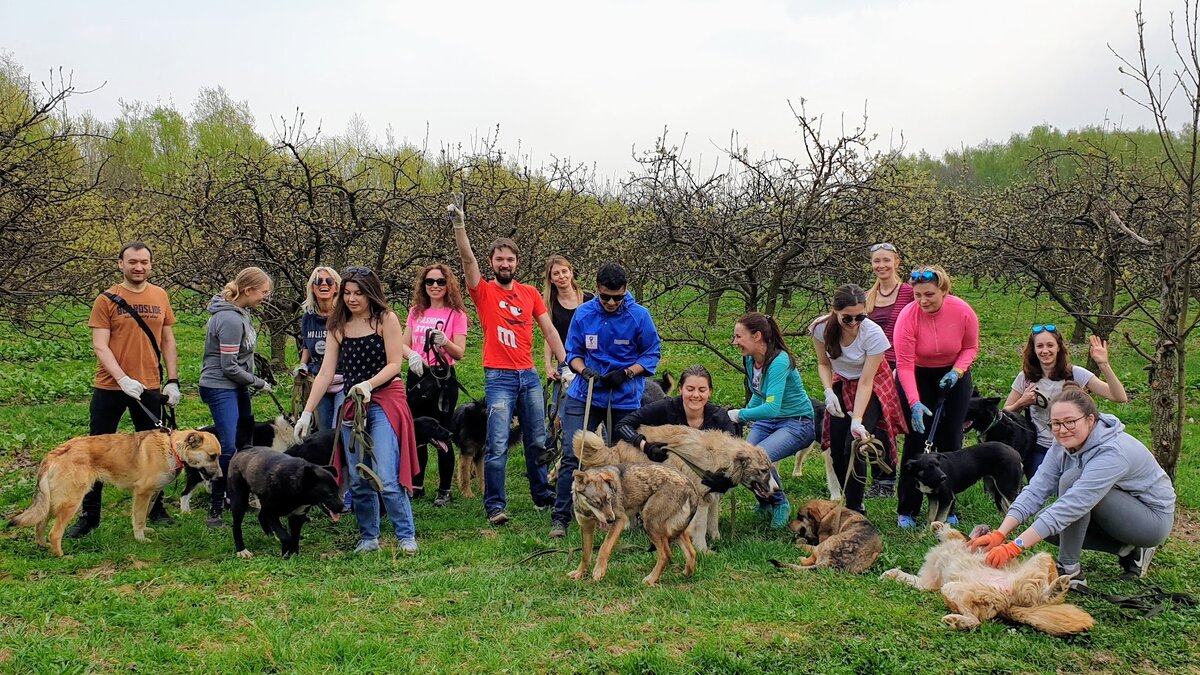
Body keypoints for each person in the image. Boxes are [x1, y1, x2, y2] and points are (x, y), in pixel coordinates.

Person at [968, 387, 1175, 587]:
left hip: (1151, 520)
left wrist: (1015, 547)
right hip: (1115, 505)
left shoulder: (1113, 452)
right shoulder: (1063, 441)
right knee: (1048, 526)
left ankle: (1069, 570)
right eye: (1056, 423)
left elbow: (1072, 505)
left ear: (1090, 420)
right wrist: (1000, 533)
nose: (1062, 429)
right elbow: (1036, 488)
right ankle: (1129, 549)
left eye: (1070, 422)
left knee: (1070, 482)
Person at [449, 202, 568, 526]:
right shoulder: (484, 292)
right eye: (499, 259)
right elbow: (467, 259)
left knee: (536, 440)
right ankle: (495, 506)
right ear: (492, 263)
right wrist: (460, 226)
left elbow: (549, 329)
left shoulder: (530, 293)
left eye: (510, 259)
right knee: (498, 443)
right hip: (499, 378)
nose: (505, 263)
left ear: (517, 263)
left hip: (528, 376)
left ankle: (543, 496)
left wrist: (566, 363)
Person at [294, 267, 421, 554]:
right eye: (348, 293)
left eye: (358, 293)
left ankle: (405, 535)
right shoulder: (338, 324)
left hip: (386, 397)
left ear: (370, 293)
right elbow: (326, 372)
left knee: (386, 476)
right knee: (358, 475)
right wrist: (306, 412)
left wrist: (368, 384)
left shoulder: (385, 319)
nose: (352, 299)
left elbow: (393, 364)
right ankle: (368, 537)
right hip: (353, 403)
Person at [67, 241, 180, 539]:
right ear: (121, 264)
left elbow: (168, 340)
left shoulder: (161, 296)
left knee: (158, 450)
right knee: (96, 451)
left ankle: (155, 509)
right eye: (132, 262)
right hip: (110, 386)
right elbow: (100, 345)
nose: (138, 267)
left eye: (144, 262)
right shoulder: (107, 299)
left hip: (150, 386)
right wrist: (121, 379)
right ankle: (90, 516)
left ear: (151, 264)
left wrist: (173, 379)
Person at [551, 262, 661, 538]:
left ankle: (620, 516)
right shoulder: (584, 313)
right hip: (586, 393)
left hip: (624, 396)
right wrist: (582, 369)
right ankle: (561, 517)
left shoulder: (639, 316)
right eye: (606, 297)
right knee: (572, 455)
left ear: (625, 291)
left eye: (617, 297)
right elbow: (572, 351)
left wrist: (626, 373)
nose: (611, 302)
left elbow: (651, 353)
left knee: (621, 458)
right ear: (597, 290)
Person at [893, 265, 979, 529]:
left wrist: (957, 371)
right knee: (917, 441)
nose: (923, 301)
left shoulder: (962, 311)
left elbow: (970, 347)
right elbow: (904, 365)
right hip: (917, 374)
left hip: (954, 373)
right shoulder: (908, 317)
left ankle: (948, 504)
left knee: (951, 440)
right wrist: (914, 403)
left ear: (944, 290)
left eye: (929, 294)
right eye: (917, 295)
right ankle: (908, 508)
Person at [811, 284, 907, 515]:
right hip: (842, 383)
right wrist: (828, 391)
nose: (854, 324)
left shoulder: (873, 334)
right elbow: (824, 363)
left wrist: (858, 420)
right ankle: (847, 494)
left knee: (853, 445)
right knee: (836, 449)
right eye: (847, 318)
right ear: (834, 311)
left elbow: (866, 382)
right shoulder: (820, 328)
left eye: (860, 317)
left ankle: (855, 508)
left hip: (872, 385)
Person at [199, 267, 274, 528]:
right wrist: (259, 382)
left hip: (236, 385)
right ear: (248, 290)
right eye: (263, 292)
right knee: (228, 446)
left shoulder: (242, 313)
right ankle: (217, 505)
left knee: (245, 439)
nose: (265, 297)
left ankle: (238, 494)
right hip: (221, 386)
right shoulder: (229, 319)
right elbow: (229, 365)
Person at [1004, 326, 1128, 478]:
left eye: (1050, 345)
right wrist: (1021, 403)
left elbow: (1119, 397)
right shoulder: (1025, 378)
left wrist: (1103, 364)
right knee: (1043, 494)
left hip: (1075, 449)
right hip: (1040, 448)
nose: (1045, 351)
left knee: (1072, 490)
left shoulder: (1075, 373)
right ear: (1033, 350)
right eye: (1040, 346)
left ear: (1058, 348)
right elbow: (1005, 414)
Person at [729, 312, 815, 528]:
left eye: (739, 337)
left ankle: (780, 503)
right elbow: (758, 393)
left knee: (759, 457)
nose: (735, 342)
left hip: (797, 422)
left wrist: (740, 414)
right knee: (742, 458)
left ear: (756, 336)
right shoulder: (750, 360)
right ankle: (764, 501)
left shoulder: (780, 361)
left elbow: (772, 406)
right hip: (769, 421)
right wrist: (745, 415)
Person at [403, 263, 470, 506]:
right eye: (429, 282)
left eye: (440, 282)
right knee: (416, 431)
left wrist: (445, 343)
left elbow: (460, 352)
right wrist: (411, 355)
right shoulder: (415, 312)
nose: (434, 286)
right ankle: (417, 482)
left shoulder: (457, 315)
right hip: (418, 375)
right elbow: (403, 343)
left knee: (442, 431)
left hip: (442, 377)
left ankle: (444, 489)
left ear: (448, 284)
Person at [862, 242, 914, 497]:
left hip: (900, 367)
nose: (881, 266)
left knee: (897, 425)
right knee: (874, 424)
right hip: (873, 368)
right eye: (876, 261)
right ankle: (883, 478)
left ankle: (903, 478)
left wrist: (901, 366)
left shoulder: (909, 293)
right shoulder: (867, 297)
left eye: (886, 260)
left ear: (897, 262)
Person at [542, 255, 593, 457]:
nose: (561, 276)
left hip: (590, 362)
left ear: (571, 272)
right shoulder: (550, 303)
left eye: (564, 271)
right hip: (565, 364)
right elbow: (548, 336)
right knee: (557, 413)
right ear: (551, 279)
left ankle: (584, 452)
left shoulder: (588, 298)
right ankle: (549, 453)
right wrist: (548, 365)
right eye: (556, 273)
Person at [615, 365, 738, 444]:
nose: (695, 395)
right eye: (690, 389)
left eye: (702, 390)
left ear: (710, 392)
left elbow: (735, 451)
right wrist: (644, 446)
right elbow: (622, 425)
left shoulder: (720, 417)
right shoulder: (665, 407)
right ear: (680, 389)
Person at [296, 266, 343, 431]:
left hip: (343, 380)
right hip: (319, 381)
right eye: (318, 281)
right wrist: (303, 364)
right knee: (323, 430)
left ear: (336, 287)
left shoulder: (344, 316)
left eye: (329, 281)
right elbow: (306, 344)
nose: (324, 284)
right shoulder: (308, 317)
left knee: (340, 428)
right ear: (313, 288)